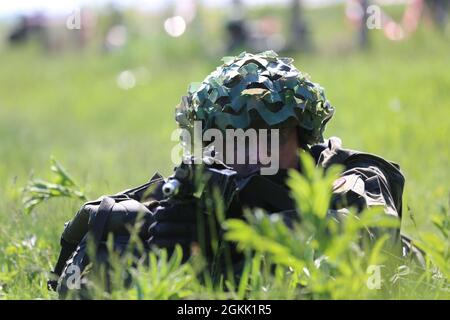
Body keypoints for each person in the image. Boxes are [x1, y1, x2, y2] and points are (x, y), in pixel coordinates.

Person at [49, 51, 412, 295]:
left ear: (302, 137)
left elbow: (362, 233)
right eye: (234, 138)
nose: (253, 153)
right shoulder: (203, 185)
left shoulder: (346, 171)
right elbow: (100, 222)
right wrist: (154, 238)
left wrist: (228, 236)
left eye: (271, 136)